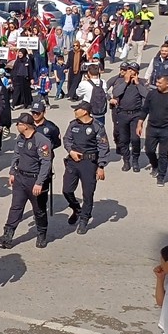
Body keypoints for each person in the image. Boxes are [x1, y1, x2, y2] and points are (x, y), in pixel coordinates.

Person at [0, 113, 53, 250]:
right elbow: (16, 155)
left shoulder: (41, 140)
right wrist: (12, 172)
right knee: (16, 207)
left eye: (19, 124)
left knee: (39, 210)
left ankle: (41, 235)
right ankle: (7, 236)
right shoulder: (20, 139)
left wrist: (39, 182)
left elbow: (46, 163)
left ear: (25, 126)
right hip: (20, 178)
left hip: (35, 180)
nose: (17, 126)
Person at [62, 101, 110, 235]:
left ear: (85, 112)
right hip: (73, 160)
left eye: (77, 109)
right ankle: (77, 209)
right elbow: (67, 139)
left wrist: (101, 166)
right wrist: (71, 151)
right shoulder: (73, 124)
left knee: (88, 194)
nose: (75, 111)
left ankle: (84, 219)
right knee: (67, 190)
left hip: (89, 163)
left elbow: (103, 146)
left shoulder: (97, 126)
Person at [137, 75, 168, 187]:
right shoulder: (152, 94)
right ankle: (155, 165)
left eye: (160, 83)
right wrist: (139, 124)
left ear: (167, 84)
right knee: (149, 150)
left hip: (167, 129)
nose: (157, 84)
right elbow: (145, 109)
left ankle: (161, 176)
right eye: (157, 82)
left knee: (163, 153)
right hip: (152, 127)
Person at [107, 61, 147, 172]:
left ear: (137, 72)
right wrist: (125, 81)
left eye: (132, 70)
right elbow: (116, 92)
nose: (130, 72)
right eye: (129, 70)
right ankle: (126, 160)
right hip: (122, 114)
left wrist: (138, 83)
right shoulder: (120, 81)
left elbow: (147, 95)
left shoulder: (142, 82)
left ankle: (135, 160)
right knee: (123, 139)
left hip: (136, 114)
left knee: (135, 138)